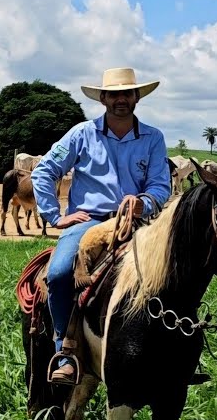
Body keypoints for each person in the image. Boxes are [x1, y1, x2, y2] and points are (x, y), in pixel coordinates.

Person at [32, 67, 172, 385]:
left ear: (137, 97)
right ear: (103, 98)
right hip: (88, 222)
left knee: (170, 271)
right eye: (114, 94)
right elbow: (44, 171)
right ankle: (64, 352)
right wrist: (55, 216)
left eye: (127, 93)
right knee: (59, 273)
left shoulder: (153, 138)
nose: (121, 100)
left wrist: (144, 202)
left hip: (135, 222)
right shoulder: (82, 133)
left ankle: (172, 352)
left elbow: (161, 186)